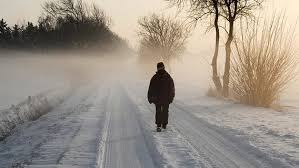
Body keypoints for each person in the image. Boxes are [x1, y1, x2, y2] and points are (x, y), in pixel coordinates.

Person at [148, 62, 175, 132]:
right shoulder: (155, 77)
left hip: (166, 98)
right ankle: (159, 125)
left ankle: (164, 124)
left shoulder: (168, 77)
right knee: (158, 111)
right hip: (157, 98)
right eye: (159, 67)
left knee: (165, 111)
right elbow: (151, 88)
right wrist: (150, 97)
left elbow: (172, 88)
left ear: (163, 67)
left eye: (161, 67)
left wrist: (171, 97)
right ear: (157, 68)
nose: (160, 69)